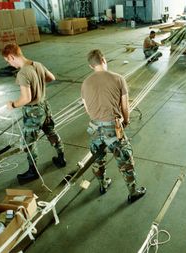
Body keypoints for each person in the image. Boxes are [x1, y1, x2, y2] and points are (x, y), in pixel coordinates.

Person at [81, 49, 146, 203]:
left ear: (91, 66)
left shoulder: (85, 83)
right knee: (125, 160)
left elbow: (87, 109)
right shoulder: (118, 79)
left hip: (95, 128)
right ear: (104, 60)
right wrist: (126, 120)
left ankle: (103, 184)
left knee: (98, 159)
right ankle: (132, 191)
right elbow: (125, 106)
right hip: (113, 128)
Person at [2, 43, 66, 184]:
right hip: (45, 106)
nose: (9, 64)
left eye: (8, 61)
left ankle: (33, 171)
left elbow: (26, 98)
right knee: (51, 132)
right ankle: (61, 157)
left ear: (11, 57)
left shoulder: (23, 73)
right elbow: (51, 78)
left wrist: (13, 104)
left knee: (29, 142)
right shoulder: (37, 64)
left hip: (33, 113)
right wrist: (37, 81)